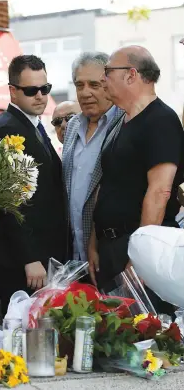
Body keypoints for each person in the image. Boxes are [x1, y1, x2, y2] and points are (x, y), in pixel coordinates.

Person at [89, 46, 184, 314]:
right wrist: (94, 243)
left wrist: (141, 257)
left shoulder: (161, 120)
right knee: (112, 339)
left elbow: (160, 191)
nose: (103, 79)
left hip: (138, 247)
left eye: (108, 72)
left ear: (131, 75)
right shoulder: (121, 122)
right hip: (110, 249)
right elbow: (108, 183)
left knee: (141, 338)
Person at [0, 55, 68, 315]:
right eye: (31, 91)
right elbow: (9, 202)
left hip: (44, 255)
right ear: (12, 91)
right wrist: (29, 258)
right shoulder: (7, 129)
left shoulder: (33, 126)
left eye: (45, 89)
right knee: (27, 329)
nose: (40, 96)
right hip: (22, 260)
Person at [62, 52, 124, 264]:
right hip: (72, 253)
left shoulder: (125, 123)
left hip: (108, 250)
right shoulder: (71, 127)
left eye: (94, 85)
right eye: (80, 85)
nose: (85, 93)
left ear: (108, 84)